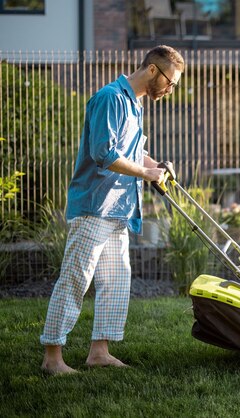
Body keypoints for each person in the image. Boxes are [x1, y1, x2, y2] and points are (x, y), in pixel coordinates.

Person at [40, 45, 185, 375]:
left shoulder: (135, 105)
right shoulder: (110, 98)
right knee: (75, 281)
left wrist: (155, 165)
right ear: (152, 70)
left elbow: (133, 152)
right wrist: (145, 174)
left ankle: (99, 352)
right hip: (95, 206)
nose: (171, 89)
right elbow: (104, 153)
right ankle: (52, 358)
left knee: (116, 281)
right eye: (170, 82)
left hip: (118, 209)